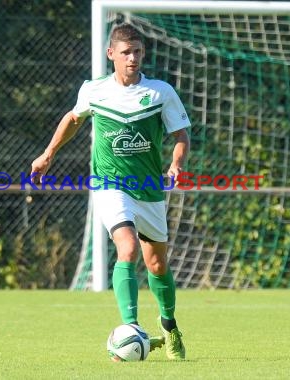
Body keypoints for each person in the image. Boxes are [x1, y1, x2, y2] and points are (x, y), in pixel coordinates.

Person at [30, 23, 190, 360]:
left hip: (148, 189)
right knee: (127, 247)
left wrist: (176, 164)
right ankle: (131, 327)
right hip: (109, 184)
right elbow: (73, 119)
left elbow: (181, 135)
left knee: (157, 265)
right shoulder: (94, 90)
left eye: (138, 52)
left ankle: (169, 325)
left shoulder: (160, 92)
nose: (133, 58)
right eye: (126, 52)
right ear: (111, 54)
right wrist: (48, 154)